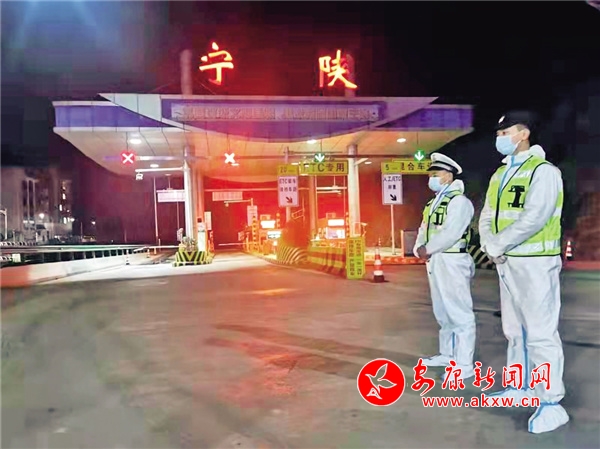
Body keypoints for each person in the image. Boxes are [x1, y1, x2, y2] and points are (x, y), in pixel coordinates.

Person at [479, 110, 568, 434]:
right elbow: (487, 213)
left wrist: (497, 243)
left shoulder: (544, 172)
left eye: (506, 133)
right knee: (515, 331)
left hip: (536, 262)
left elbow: (536, 216)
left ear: (524, 134)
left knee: (541, 333)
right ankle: (520, 386)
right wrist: (489, 243)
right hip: (507, 261)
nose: (500, 139)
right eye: (498, 134)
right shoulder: (500, 174)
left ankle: (551, 403)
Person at [414, 153, 476, 381]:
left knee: (459, 312)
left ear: (448, 176)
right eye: (430, 174)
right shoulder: (433, 203)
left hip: (452, 260)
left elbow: (451, 233)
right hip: (436, 260)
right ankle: (448, 355)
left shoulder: (459, 202)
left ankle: (464, 364)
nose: (431, 178)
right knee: (442, 312)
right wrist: (419, 248)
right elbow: (424, 228)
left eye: (436, 174)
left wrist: (427, 248)